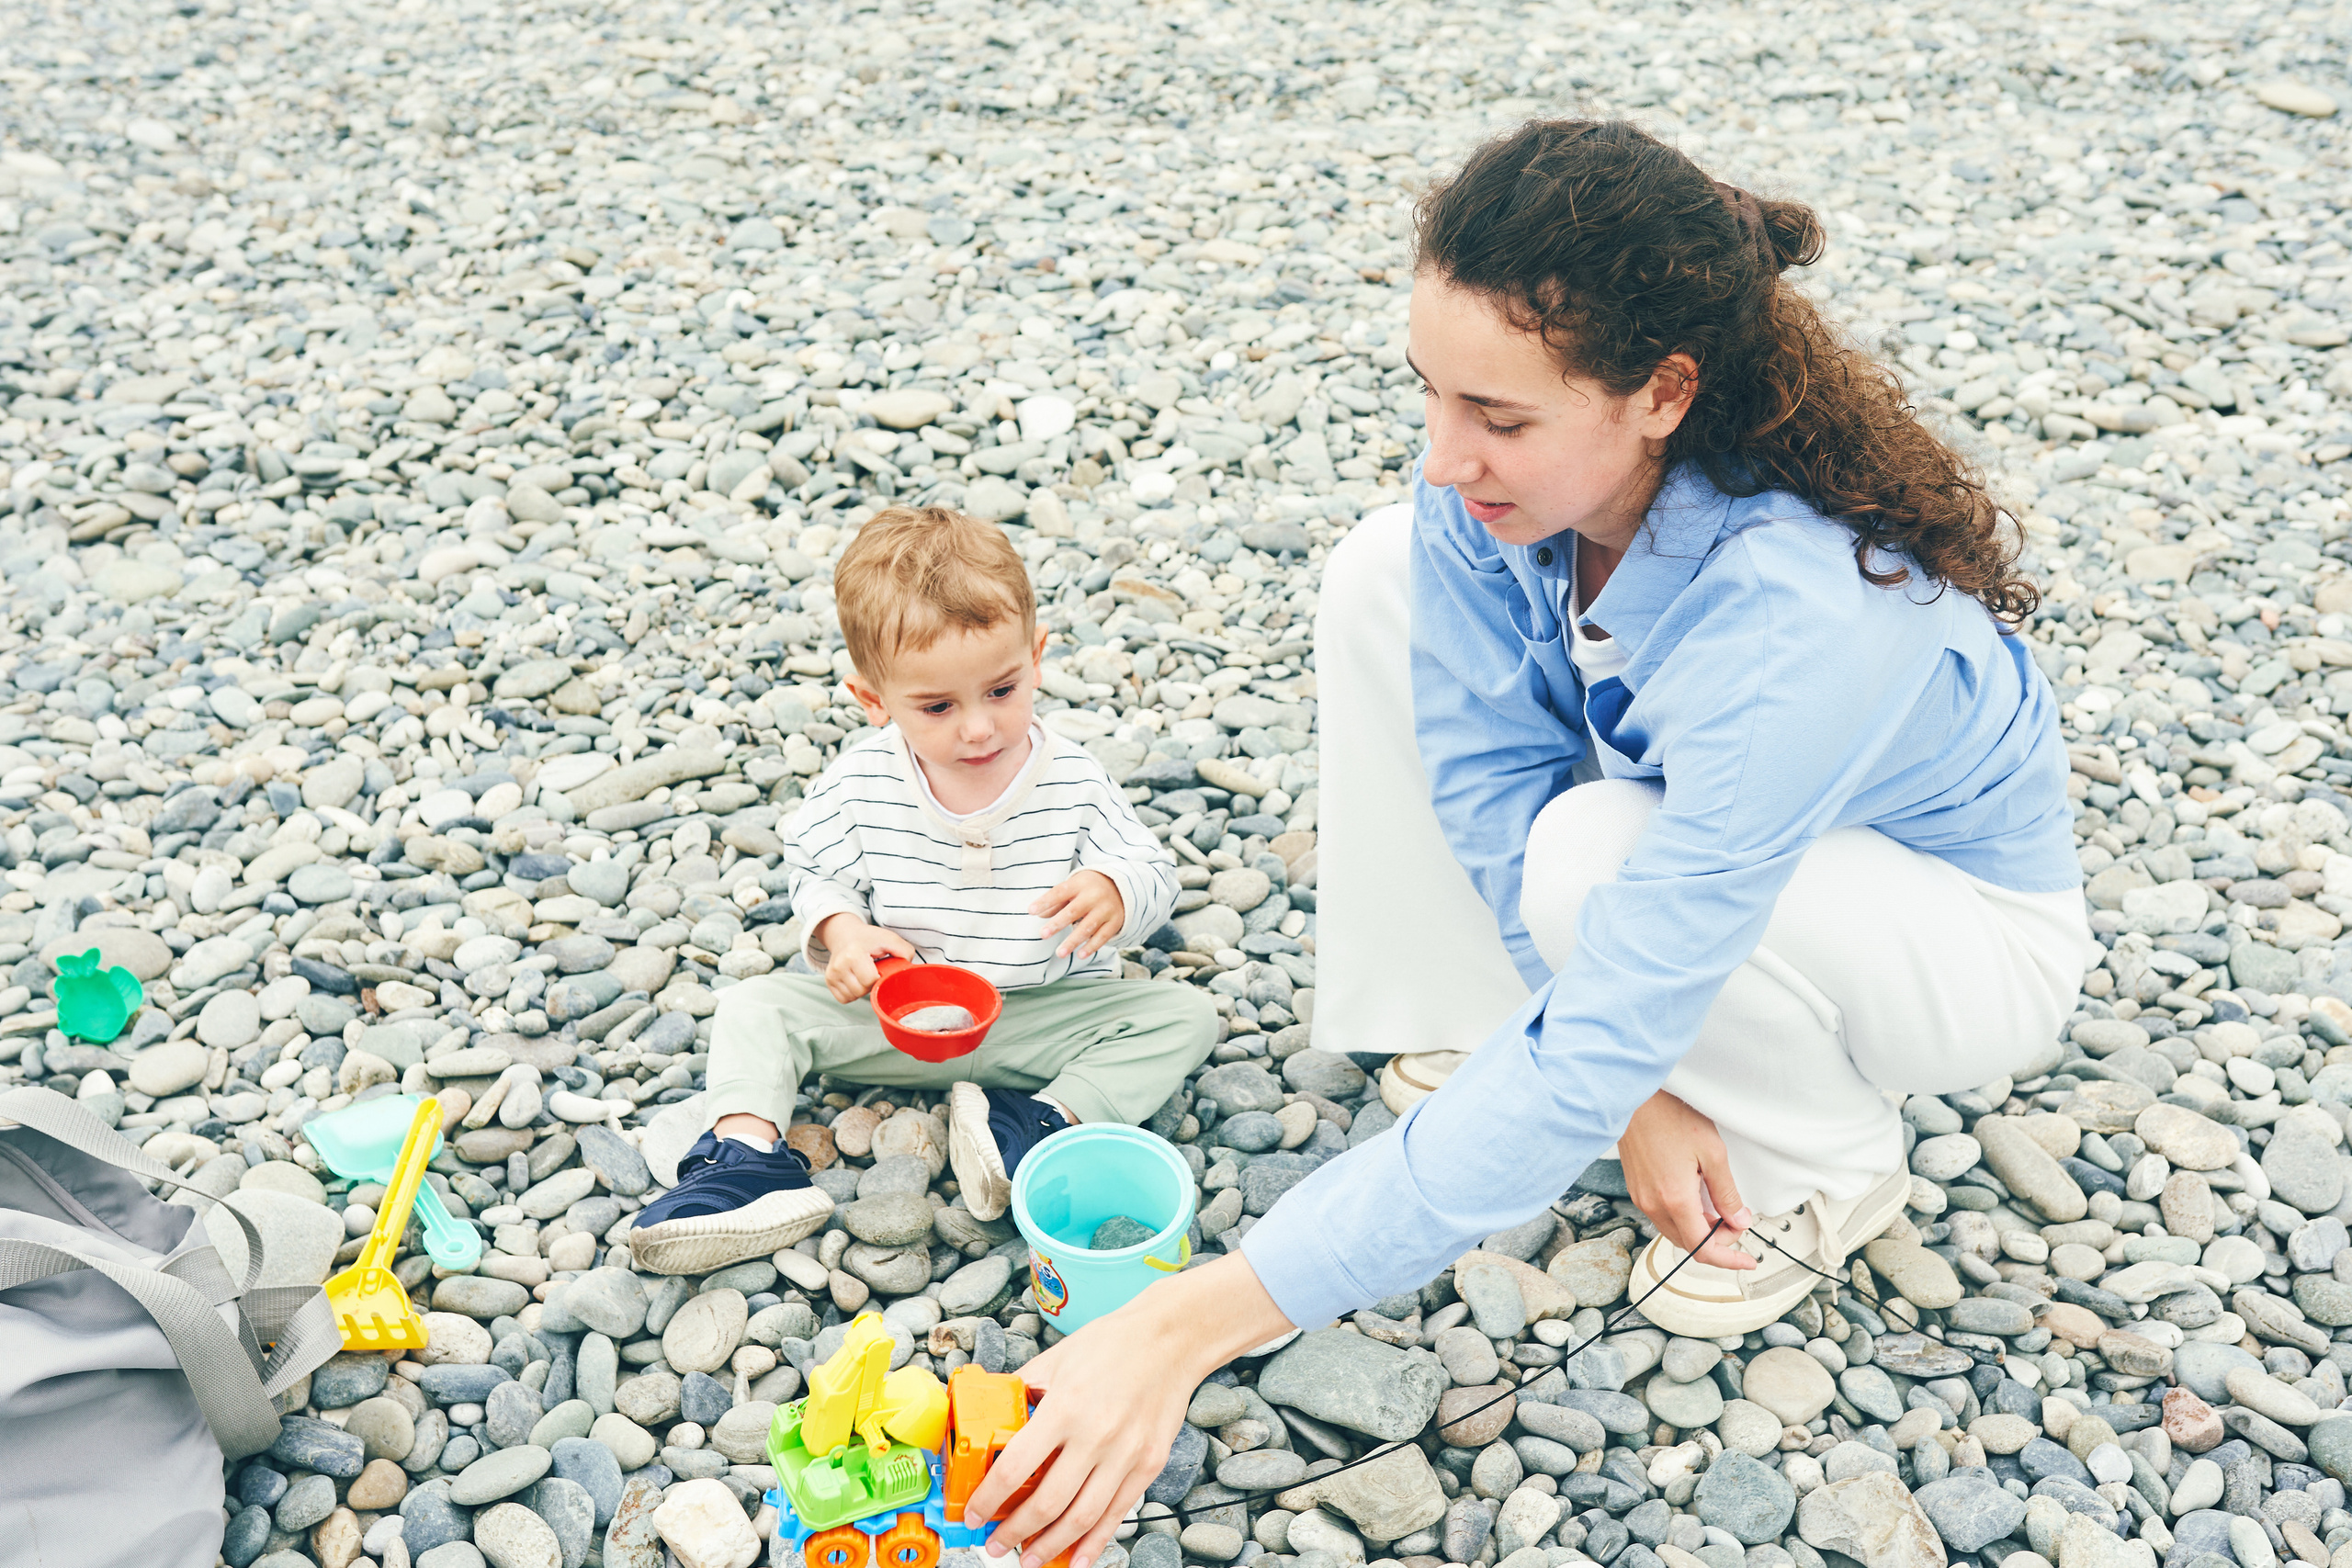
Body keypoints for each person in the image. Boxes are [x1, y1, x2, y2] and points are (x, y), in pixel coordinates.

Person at [957, 118, 2096, 1568]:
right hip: (1725, 869)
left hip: (1957, 940)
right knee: (1386, 572)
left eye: (1499, 417)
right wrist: (1622, 1099)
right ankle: (1513, 1035)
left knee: (1596, 861)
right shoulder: (1489, 498)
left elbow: (1612, 923)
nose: (1449, 458)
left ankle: (1823, 1153)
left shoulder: (1800, 613)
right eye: (1432, 394)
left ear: (1663, 393)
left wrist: (1184, 1324)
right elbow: (1494, 784)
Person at [628, 505, 1218, 1275]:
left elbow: (1151, 867)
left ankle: (1036, 1122)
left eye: (1002, 690)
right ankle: (746, 1157)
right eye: (938, 707)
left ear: (1036, 658)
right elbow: (816, 869)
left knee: (1184, 1013)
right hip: (895, 1016)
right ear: (875, 701)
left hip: (1034, 1014)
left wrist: (1115, 886)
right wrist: (841, 931)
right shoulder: (860, 783)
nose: (978, 729)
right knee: (753, 1006)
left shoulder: (1071, 778)